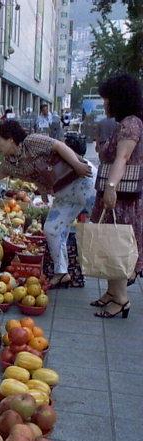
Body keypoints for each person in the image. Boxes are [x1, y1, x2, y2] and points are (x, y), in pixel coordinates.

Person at [0, 120, 96, 287]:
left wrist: (77, 164)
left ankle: (115, 270)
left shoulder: (31, 142)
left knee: (103, 223)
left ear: (11, 139)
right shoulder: (9, 164)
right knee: (51, 229)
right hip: (63, 195)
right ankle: (62, 272)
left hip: (82, 181)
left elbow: (58, 146)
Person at [89, 74, 143, 318]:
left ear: (119, 99)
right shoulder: (126, 123)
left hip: (121, 197)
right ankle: (112, 292)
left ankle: (121, 299)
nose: (105, 104)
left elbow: (122, 158)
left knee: (117, 246)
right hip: (116, 195)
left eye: (107, 99)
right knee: (108, 242)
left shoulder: (131, 124)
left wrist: (111, 187)